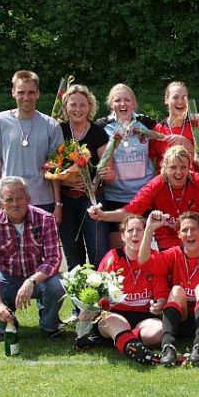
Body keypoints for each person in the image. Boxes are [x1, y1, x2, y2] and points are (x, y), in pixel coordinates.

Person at [0, 176, 65, 343]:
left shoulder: (46, 219)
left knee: (57, 285)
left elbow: (54, 259)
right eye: (9, 199)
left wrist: (31, 282)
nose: (15, 204)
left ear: (28, 199)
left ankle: (49, 326)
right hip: (8, 278)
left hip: (38, 278)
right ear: (0, 202)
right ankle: (7, 324)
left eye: (19, 199)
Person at [139, 210, 199, 366]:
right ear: (179, 235)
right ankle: (168, 347)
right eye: (184, 230)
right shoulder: (174, 254)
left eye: (194, 229)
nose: (189, 233)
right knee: (176, 290)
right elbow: (144, 262)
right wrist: (149, 229)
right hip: (181, 319)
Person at [87, 145, 199, 250]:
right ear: (164, 168)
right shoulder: (157, 184)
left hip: (195, 239)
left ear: (189, 168)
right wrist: (103, 215)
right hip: (167, 242)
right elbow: (132, 211)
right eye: (173, 167)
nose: (179, 172)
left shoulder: (198, 181)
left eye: (183, 167)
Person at [75, 215, 167, 365]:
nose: (135, 234)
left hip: (144, 317)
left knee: (159, 331)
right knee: (110, 321)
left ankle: (123, 341)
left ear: (147, 234)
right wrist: (88, 309)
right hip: (115, 315)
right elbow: (98, 291)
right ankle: (131, 345)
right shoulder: (112, 257)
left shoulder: (155, 258)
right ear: (123, 236)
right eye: (130, 230)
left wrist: (159, 305)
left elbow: (161, 296)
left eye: (139, 230)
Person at [0, 70, 63, 222]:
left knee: (41, 247)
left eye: (31, 92)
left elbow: (56, 170)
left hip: (42, 201)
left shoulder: (51, 126)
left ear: (38, 93)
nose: (26, 98)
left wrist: (58, 204)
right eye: (21, 92)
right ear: (13, 92)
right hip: (9, 200)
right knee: (8, 246)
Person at [57, 84, 110, 271]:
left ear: (90, 107)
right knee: (74, 260)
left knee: (100, 255)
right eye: (73, 105)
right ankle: (79, 300)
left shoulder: (98, 132)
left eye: (82, 104)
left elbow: (108, 170)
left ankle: (101, 299)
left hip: (92, 200)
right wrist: (65, 179)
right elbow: (48, 167)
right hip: (66, 201)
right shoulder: (58, 131)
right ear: (65, 107)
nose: (78, 109)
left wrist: (103, 177)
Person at [95, 84, 158, 227]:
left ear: (134, 104)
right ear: (111, 104)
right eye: (117, 100)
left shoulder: (146, 123)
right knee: (119, 246)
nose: (122, 104)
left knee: (142, 244)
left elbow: (166, 135)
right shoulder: (101, 126)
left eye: (127, 100)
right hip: (114, 197)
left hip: (144, 195)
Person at [150, 81, 199, 172]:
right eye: (175, 97)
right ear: (166, 100)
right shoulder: (158, 129)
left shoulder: (196, 127)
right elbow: (150, 163)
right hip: (167, 184)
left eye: (184, 98)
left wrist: (186, 144)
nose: (180, 102)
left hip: (192, 182)